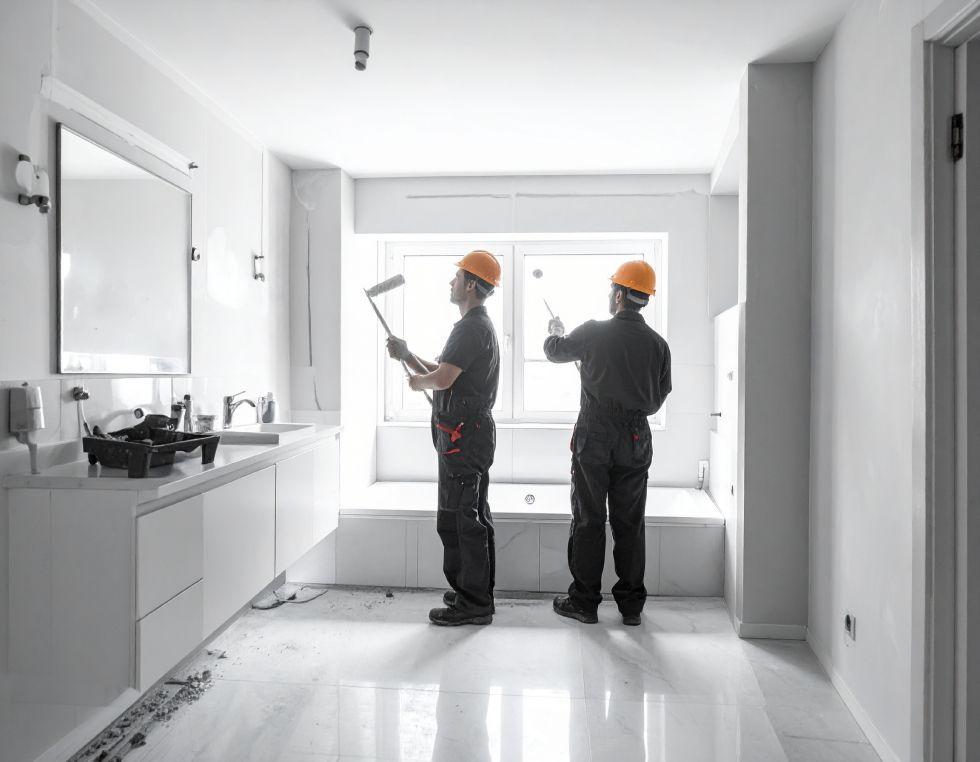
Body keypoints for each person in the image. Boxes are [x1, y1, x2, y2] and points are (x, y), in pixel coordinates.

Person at [543, 260, 671, 626]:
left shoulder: (593, 332)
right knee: (630, 523)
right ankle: (631, 607)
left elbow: (555, 352)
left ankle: (584, 602)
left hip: (595, 436)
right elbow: (658, 398)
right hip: (635, 437)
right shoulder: (658, 345)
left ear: (618, 295)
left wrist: (554, 333)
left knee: (589, 519)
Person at [386, 250, 501, 626]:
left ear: (471, 285)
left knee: (462, 521)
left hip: (464, 440)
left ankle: (474, 603)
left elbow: (442, 379)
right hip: (465, 437)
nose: (451, 282)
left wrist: (418, 382)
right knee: (466, 516)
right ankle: (473, 591)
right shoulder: (476, 327)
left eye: (457, 277)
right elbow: (446, 371)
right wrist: (408, 356)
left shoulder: (470, 328)